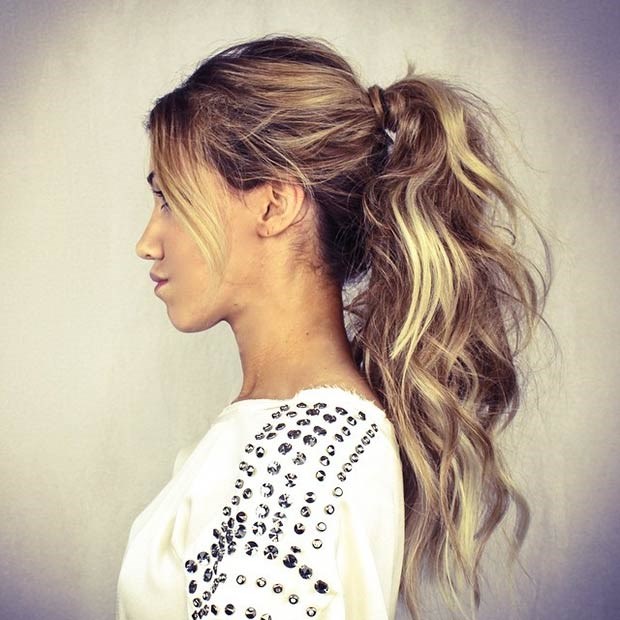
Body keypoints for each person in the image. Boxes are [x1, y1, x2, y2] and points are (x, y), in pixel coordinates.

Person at [118, 34, 553, 620]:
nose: (147, 242)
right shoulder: (289, 434)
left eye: (171, 200)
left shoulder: (308, 452)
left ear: (273, 204)